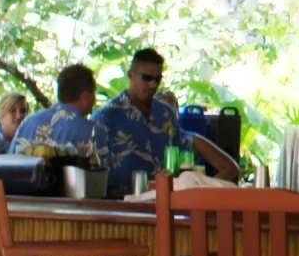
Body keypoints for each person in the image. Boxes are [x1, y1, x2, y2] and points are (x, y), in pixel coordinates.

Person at [89, 48, 240, 195]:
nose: (153, 85)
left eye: (157, 79)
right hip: (124, 206)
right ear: (130, 75)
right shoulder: (106, 117)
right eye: (147, 78)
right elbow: (95, 175)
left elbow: (185, 146)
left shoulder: (165, 113)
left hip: (165, 204)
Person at [10, 65, 100, 158]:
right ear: (85, 97)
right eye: (94, 93)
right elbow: (103, 170)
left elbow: (8, 166)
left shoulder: (28, 124)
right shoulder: (92, 132)